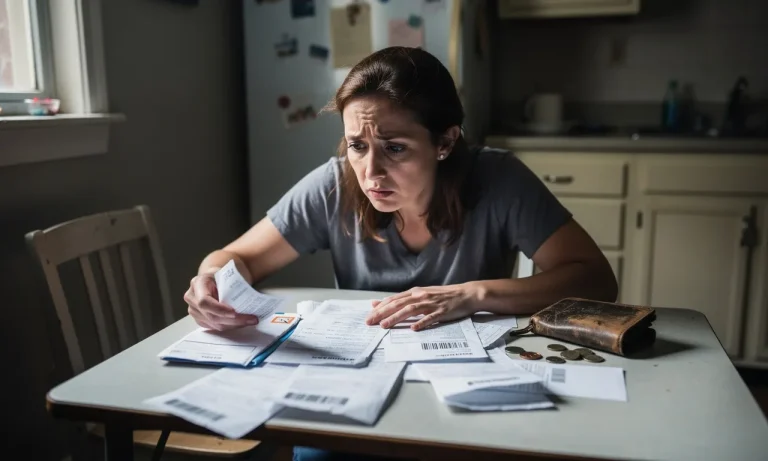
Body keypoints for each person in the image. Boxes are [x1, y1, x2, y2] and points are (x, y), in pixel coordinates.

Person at [184, 47, 617, 461]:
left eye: (394, 148)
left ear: (444, 142)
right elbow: (236, 257)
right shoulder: (333, 185)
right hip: (355, 392)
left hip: (462, 395)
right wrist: (210, 280)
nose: (370, 172)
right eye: (357, 145)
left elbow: (595, 279)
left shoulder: (499, 179)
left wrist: (475, 295)